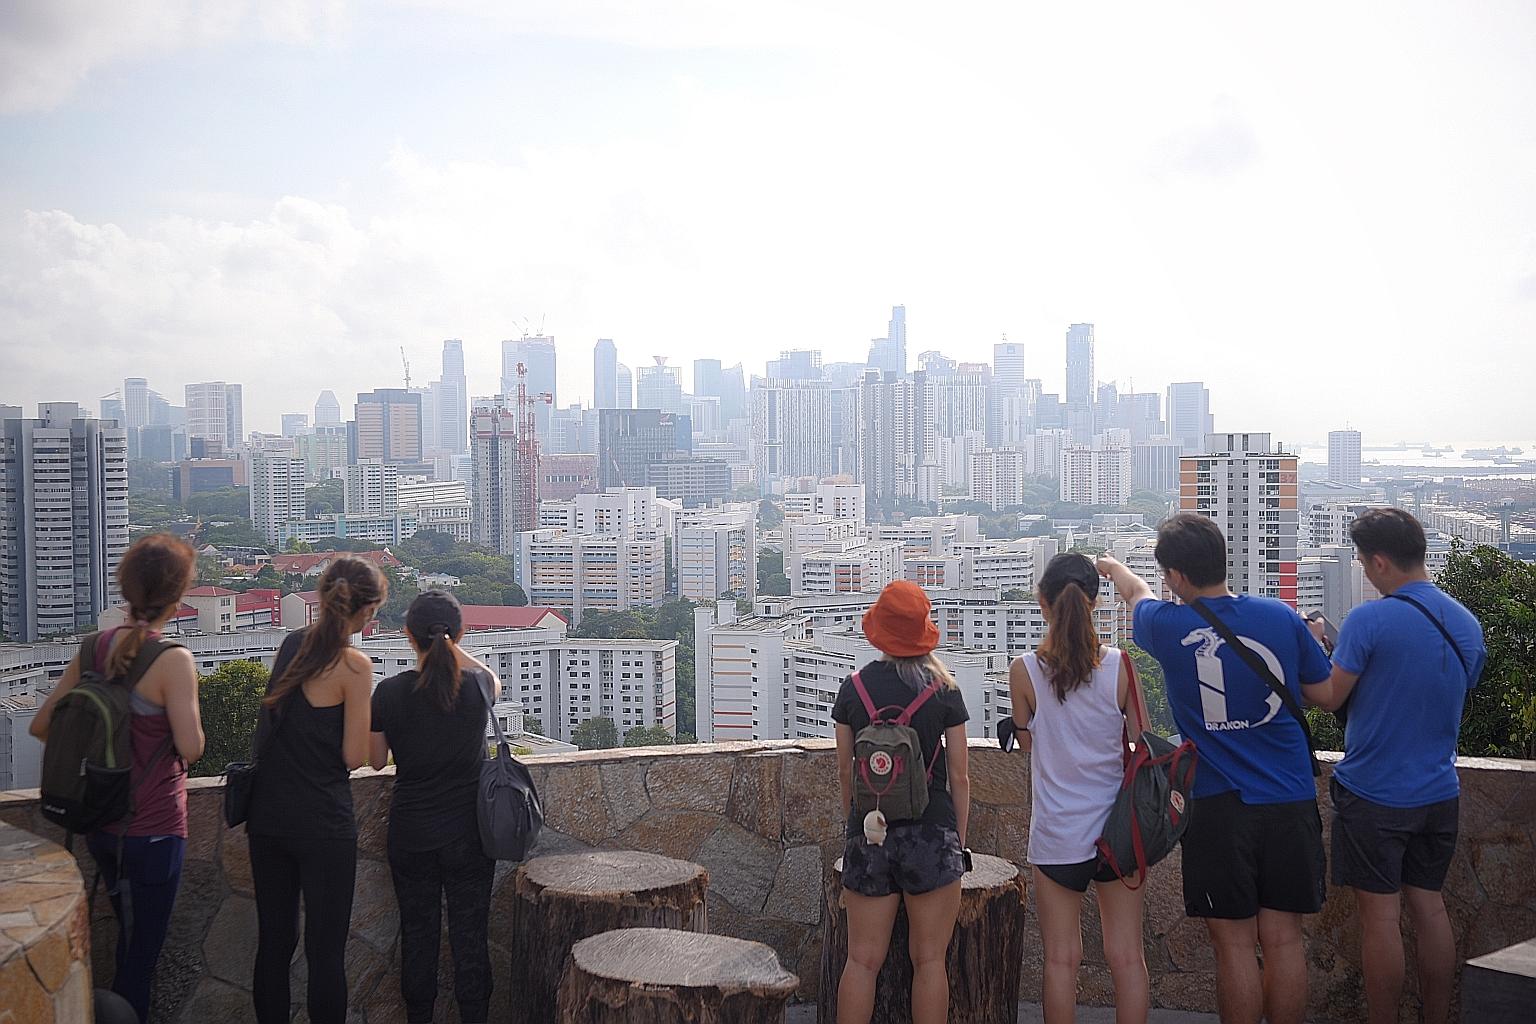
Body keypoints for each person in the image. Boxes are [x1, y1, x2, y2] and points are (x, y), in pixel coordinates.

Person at [1098, 513, 1332, 1024]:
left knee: (1234, 947)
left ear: (1175, 577)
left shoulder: (1166, 626)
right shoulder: (1281, 617)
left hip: (1219, 804)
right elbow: (1322, 692)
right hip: (1290, 797)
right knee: (1284, 940)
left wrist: (1113, 568)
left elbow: (1137, 595)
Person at [1304, 508, 1485, 1024]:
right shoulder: (1466, 624)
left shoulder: (1368, 619)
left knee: (1380, 918)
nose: (1363, 572)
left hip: (1375, 793)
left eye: (1363, 563)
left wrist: (1311, 651)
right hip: (1437, 790)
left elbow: (1329, 694)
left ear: (1380, 562)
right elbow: (1435, 686)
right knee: (1430, 908)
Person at [31, 534, 204, 1024]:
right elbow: (191, 748)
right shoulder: (172, 659)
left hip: (101, 825)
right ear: (178, 596)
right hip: (153, 830)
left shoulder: (94, 648)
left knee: (127, 945)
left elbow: (43, 725)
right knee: (138, 960)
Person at [1009, 553, 1147, 1024]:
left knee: (1061, 960)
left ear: (1043, 602)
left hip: (1057, 834)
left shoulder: (1024, 670)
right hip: (1117, 834)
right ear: (1094, 601)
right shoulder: (1121, 666)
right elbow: (1140, 742)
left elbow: (1029, 744)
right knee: (1127, 958)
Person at [246, 557, 384, 1024]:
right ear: (364, 610)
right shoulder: (353, 665)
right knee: (325, 952)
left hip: (268, 817)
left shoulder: (291, 646)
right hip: (322, 822)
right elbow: (352, 757)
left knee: (273, 944)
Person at [832, 580, 970, 1024]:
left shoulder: (854, 689)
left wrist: (856, 825)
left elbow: (844, 773)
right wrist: (957, 842)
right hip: (932, 835)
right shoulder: (944, 689)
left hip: (870, 833)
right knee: (929, 962)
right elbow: (961, 775)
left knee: (861, 962)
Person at [369, 591, 498, 1024]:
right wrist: (450, 640)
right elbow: (492, 679)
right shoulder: (478, 688)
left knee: (418, 937)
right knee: (470, 938)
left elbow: (374, 759)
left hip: (412, 834)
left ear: (408, 636)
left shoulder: (388, 692)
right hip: (469, 836)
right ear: (459, 634)